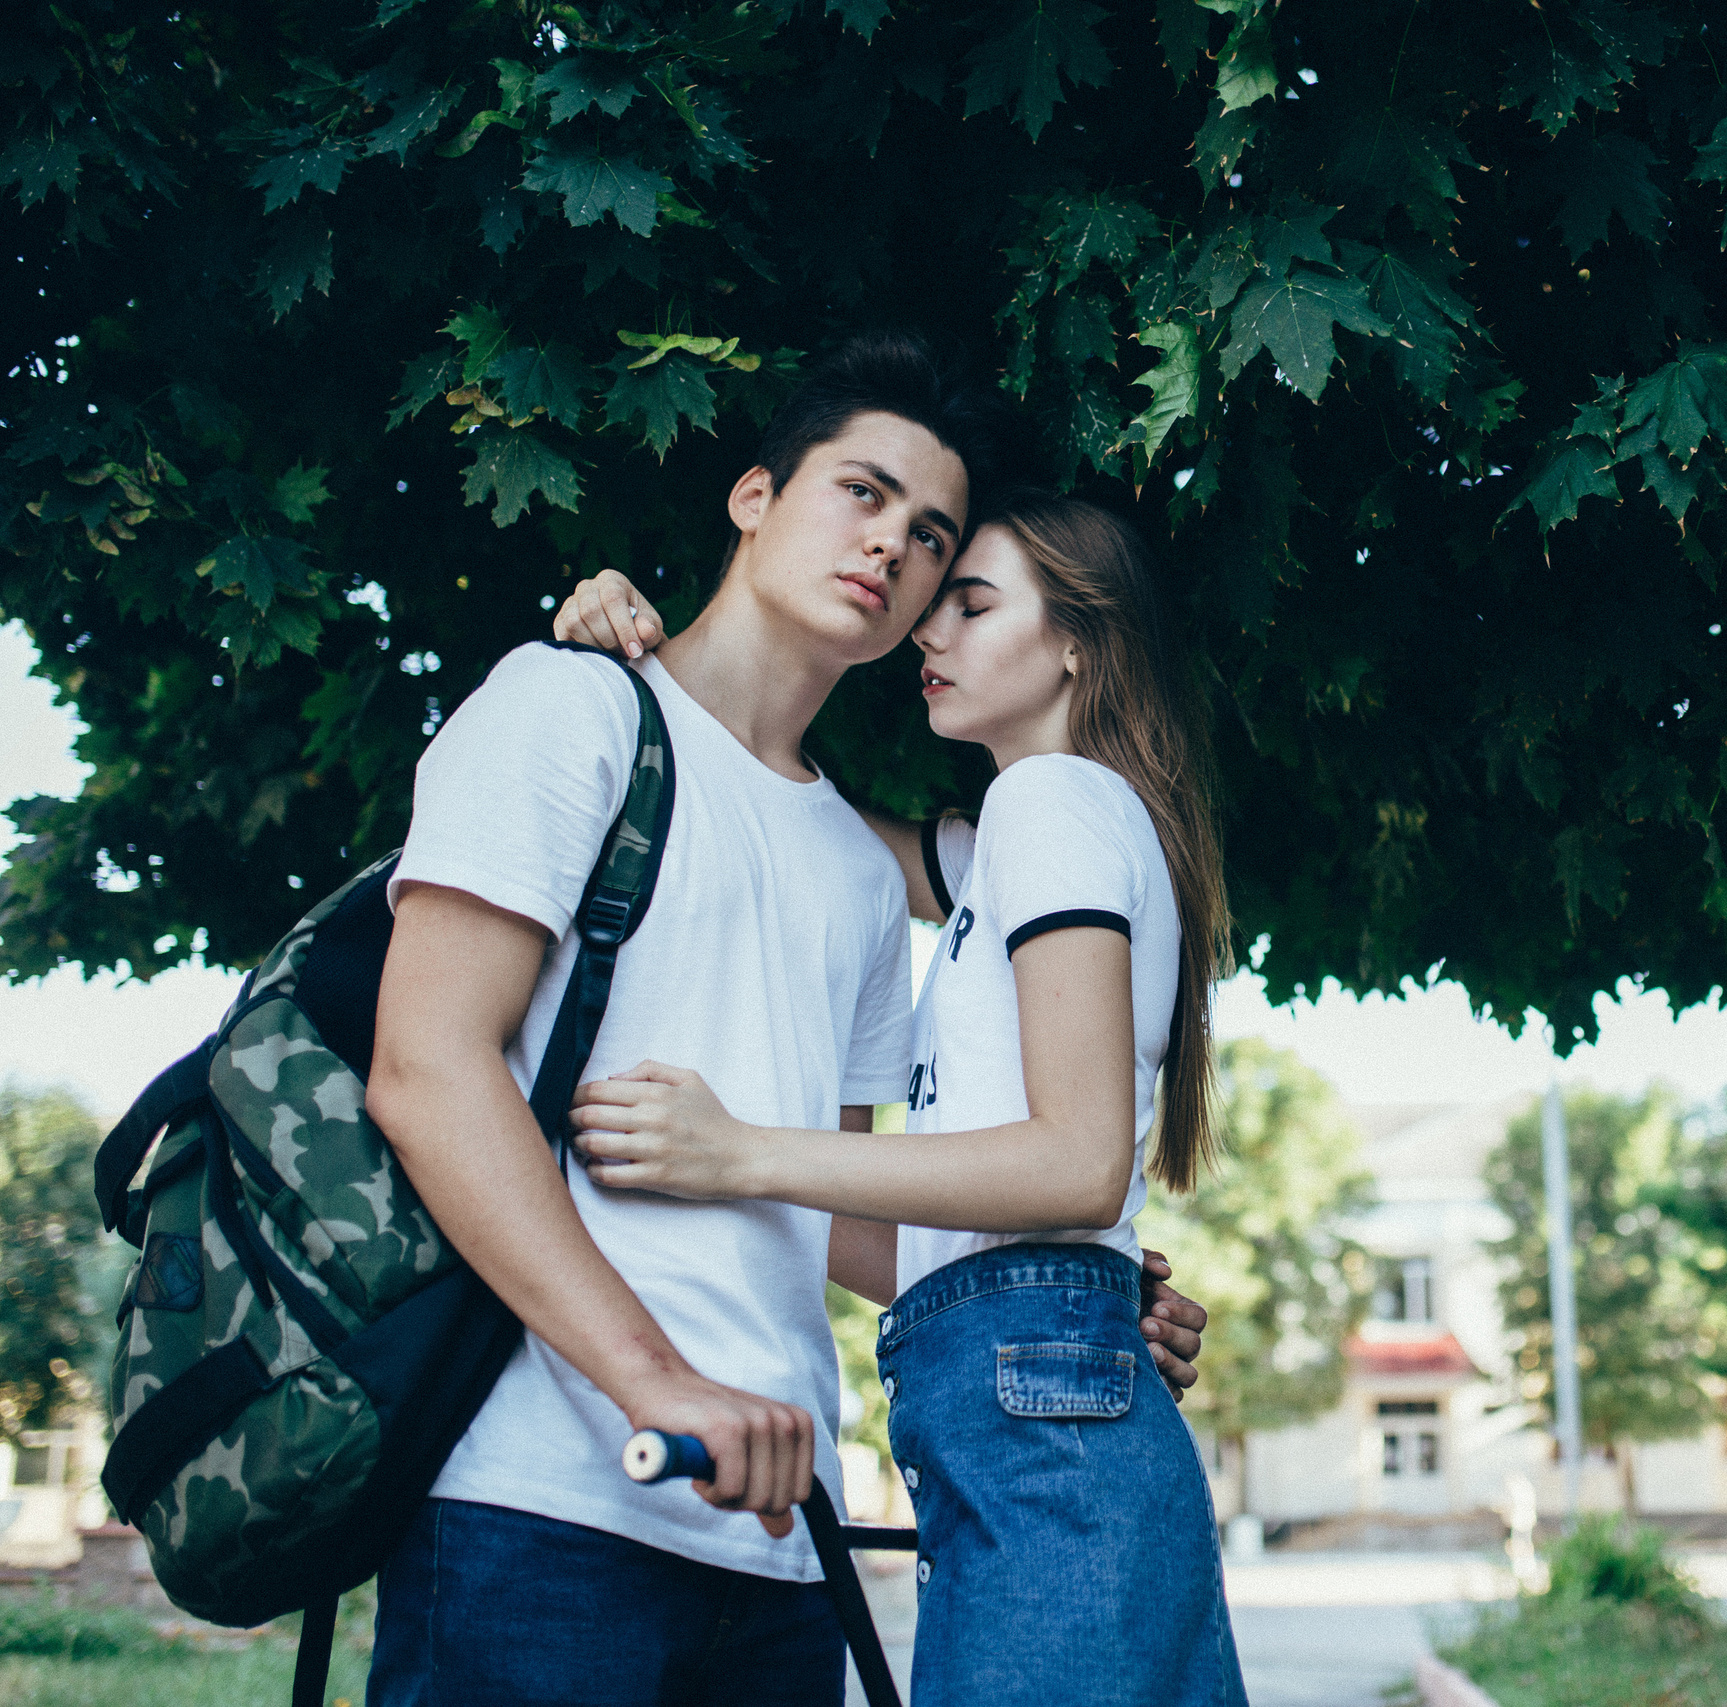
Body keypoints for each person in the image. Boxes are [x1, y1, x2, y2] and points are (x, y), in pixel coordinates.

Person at [365, 336, 1208, 1706]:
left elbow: (832, 1210)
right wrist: (659, 1382)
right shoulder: (572, 708)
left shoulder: (859, 870)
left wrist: (1087, 1280)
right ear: (755, 495)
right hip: (546, 1496)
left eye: (932, 535)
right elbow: (424, 1071)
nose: (893, 547)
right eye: (861, 493)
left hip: (776, 1542)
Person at [551, 490, 1247, 1704]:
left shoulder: (1055, 801)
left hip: (1039, 1423)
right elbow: (785, 822)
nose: (929, 632)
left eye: (973, 606)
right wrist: (638, 669)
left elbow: (1075, 1164)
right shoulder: (1019, 841)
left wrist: (739, 1153)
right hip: (1032, 1398)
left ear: (1080, 642)